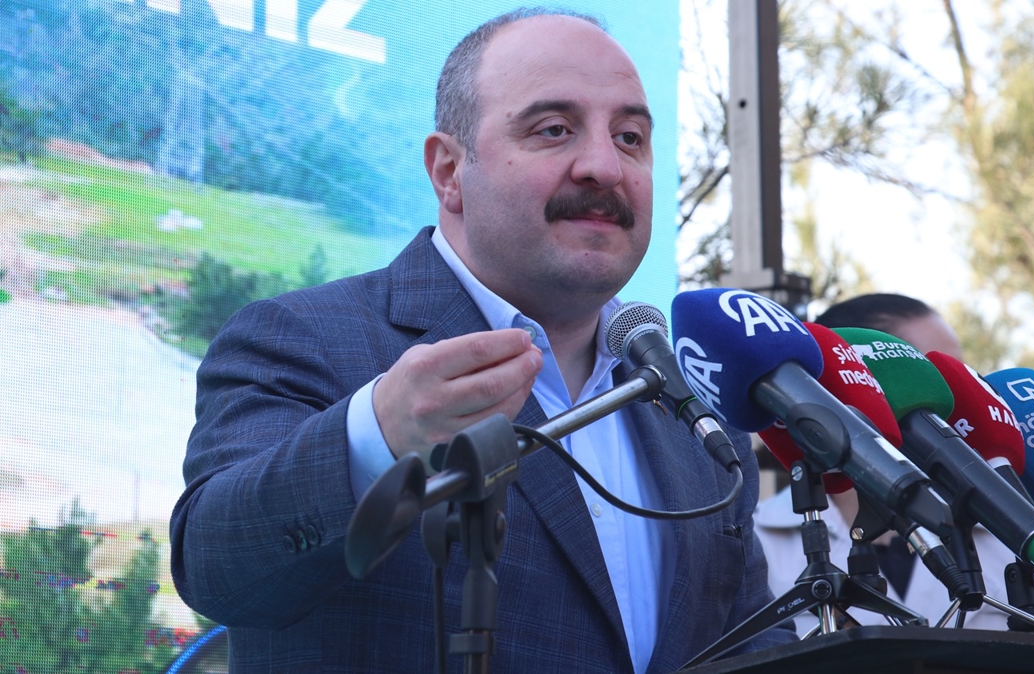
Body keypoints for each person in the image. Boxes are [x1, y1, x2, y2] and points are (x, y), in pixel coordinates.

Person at [169, 8, 793, 673]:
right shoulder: (303, 337)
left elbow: (752, 637)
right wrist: (375, 440)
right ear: (448, 170)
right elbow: (216, 567)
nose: (604, 167)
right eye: (554, 129)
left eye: (630, 137)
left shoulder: (689, 408)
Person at [755, 293, 1034, 635]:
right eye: (930, 377)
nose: (955, 400)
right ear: (845, 385)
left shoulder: (1008, 540)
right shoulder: (757, 541)